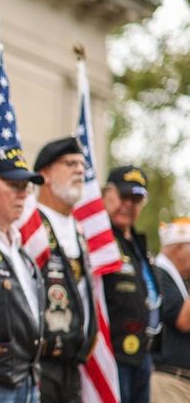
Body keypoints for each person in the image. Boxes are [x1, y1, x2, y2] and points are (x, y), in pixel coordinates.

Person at [32, 137, 97, 403]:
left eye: (82, 165)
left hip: (72, 365)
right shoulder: (32, 223)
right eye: (70, 164)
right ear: (44, 174)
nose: (79, 171)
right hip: (41, 365)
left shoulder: (78, 229)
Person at [0, 148, 45, 403]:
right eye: (13, 184)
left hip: (27, 378)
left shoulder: (20, 248)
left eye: (26, 186)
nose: (23, 194)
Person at [101, 165, 161, 403]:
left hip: (141, 356)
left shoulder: (138, 244)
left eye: (136, 199)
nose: (129, 205)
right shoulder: (100, 239)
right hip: (113, 356)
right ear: (107, 194)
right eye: (124, 196)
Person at [152, 218, 190, 402]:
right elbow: (184, 321)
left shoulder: (179, 281)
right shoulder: (159, 274)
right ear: (178, 249)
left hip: (179, 381)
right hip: (169, 380)